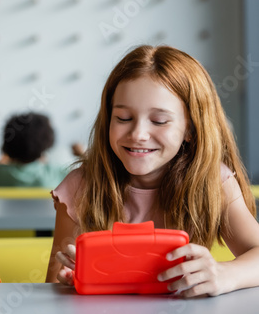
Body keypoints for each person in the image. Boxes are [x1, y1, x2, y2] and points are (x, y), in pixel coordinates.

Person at [45, 45, 259, 298]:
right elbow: (55, 280)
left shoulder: (213, 182)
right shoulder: (80, 186)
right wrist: (71, 278)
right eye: (123, 118)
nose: (138, 135)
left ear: (190, 129)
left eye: (159, 121)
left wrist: (226, 274)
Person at [0, 112, 70, 188]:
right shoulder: (53, 173)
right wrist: (80, 153)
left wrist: (4, 158)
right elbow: (83, 175)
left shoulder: (3, 174)